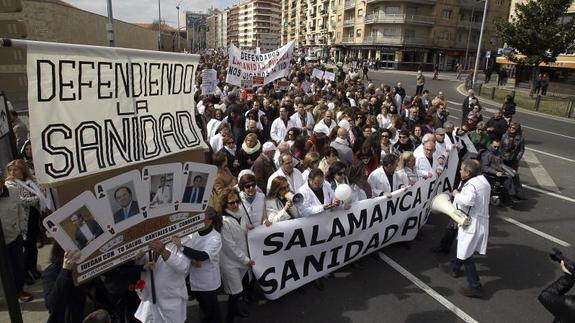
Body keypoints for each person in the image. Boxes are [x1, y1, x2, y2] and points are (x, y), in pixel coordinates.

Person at [443, 160, 491, 298]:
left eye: (462, 170)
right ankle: (455, 267)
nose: (460, 171)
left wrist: (456, 194)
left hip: (471, 223)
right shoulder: (483, 181)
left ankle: (476, 286)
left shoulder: (471, 185)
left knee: (467, 255)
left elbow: (468, 201)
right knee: (464, 248)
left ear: (468, 172)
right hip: (479, 221)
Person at [5, 159, 50, 284]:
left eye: (15, 169)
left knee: (33, 245)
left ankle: (33, 269)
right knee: (26, 247)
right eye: (10, 170)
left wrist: (40, 196)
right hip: (23, 218)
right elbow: (21, 200)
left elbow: (43, 190)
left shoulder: (31, 181)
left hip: (34, 215)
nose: (12, 172)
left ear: (23, 170)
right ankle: (24, 274)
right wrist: (37, 198)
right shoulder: (10, 184)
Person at [179, 207, 223, 323]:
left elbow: (203, 256)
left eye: (201, 219)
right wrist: (192, 259)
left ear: (210, 220)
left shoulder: (215, 237)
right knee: (204, 309)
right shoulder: (194, 233)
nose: (197, 222)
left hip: (208, 283)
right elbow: (189, 253)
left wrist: (182, 248)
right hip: (195, 280)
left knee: (212, 313)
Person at [219, 188, 254, 322]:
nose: (235, 205)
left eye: (236, 202)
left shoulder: (240, 214)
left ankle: (237, 311)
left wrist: (247, 228)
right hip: (230, 263)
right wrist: (246, 260)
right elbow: (230, 247)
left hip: (242, 260)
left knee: (239, 290)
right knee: (235, 292)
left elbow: (241, 233)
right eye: (231, 203)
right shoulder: (223, 222)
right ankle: (230, 317)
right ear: (224, 205)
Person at [134, 238, 190, 323]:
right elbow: (139, 265)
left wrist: (163, 251)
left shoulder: (182, 241)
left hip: (171, 303)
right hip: (148, 303)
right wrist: (136, 260)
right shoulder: (146, 241)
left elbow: (184, 267)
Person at [0, 174, 33, 302]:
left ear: (2, 181)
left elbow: (20, 210)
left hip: (14, 236)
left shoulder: (12, 191)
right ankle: (6, 296)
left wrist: (21, 228)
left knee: (18, 266)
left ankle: (19, 291)